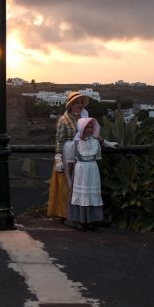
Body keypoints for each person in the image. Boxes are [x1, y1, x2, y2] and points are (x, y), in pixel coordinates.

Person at [47, 92, 90, 223]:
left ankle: (78, 215)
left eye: (81, 103)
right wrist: (58, 158)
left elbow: (91, 134)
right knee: (66, 186)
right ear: (70, 105)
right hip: (67, 156)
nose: (80, 105)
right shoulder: (64, 120)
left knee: (79, 186)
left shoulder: (84, 119)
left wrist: (104, 142)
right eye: (77, 103)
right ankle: (65, 214)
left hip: (81, 155)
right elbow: (59, 140)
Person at [66, 117, 104, 230]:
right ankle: (81, 220)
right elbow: (70, 162)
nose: (90, 129)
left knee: (91, 195)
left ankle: (91, 220)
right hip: (80, 173)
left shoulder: (95, 143)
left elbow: (98, 158)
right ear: (81, 128)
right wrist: (70, 177)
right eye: (87, 127)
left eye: (91, 127)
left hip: (92, 171)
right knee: (81, 195)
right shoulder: (75, 144)